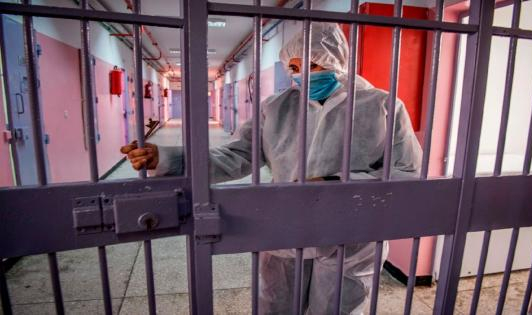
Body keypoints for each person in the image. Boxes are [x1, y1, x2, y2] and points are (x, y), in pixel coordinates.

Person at [121, 22, 422, 314]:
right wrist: (168, 159)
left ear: (336, 60)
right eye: (294, 68)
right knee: (275, 305)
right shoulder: (276, 107)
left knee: (338, 308)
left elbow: (407, 172)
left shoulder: (382, 106)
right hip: (287, 226)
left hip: (351, 233)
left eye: (312, 66)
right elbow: (237, 155)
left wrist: (335, 182)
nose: (302, 76)